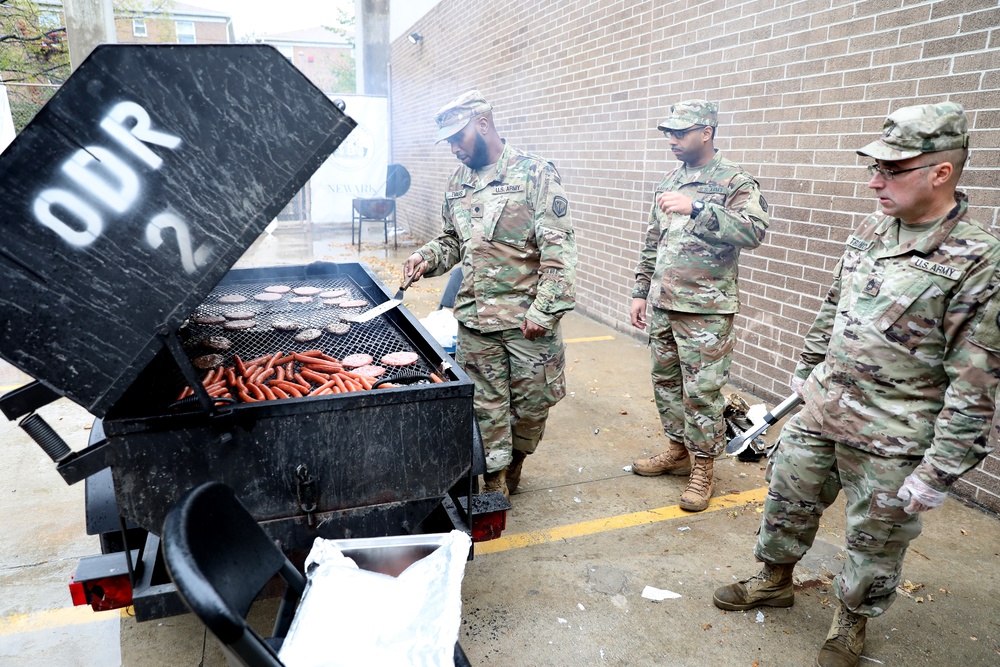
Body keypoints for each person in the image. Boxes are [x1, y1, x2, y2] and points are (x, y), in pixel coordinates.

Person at [713, 101, 1000, 667]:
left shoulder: (977, 259)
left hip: (894, 432)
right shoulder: (872, 228)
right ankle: (774, 580)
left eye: (891, 170)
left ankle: (850, 623)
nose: (875, 182)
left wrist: (940, 470)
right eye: (875, 168)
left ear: (941, 172)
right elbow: (833, 304)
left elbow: (976, 378)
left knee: (875, 540)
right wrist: (807, 365)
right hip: (822, 409)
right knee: (786, 503)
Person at [403, 90, 577, 499]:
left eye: (457, 137)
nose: (453, 148)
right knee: (485, 406)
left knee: (533, 406)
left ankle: (517, 458)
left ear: (482, 125)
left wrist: (544, 310)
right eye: (446, 141)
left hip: (527, 321)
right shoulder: (457, 182)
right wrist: (426, 256)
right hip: (475, 319)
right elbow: (452, 240)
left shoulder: (536, 173)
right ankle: (494, 479)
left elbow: (559, 251)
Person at [628, 99, 769, 511]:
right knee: (666, 385)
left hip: (706, 310)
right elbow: (654, 240)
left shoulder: (734, 180)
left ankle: (704, 466)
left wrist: (701, 208)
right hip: (664, 304)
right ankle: (677, 449)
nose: (671, 139)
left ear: (706, 133)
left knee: (702, 393)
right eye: (668, 132)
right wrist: (640, 291)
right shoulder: (669, 180)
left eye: (680, 132)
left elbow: (754, 230)